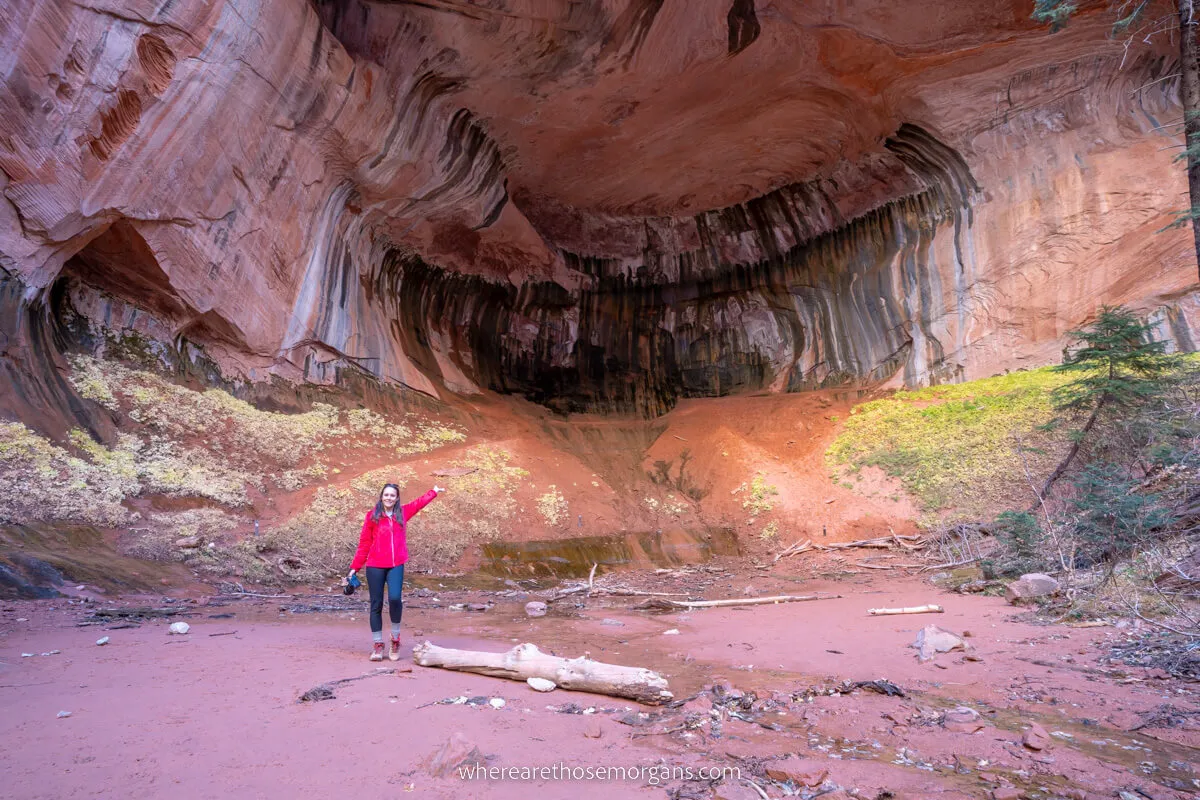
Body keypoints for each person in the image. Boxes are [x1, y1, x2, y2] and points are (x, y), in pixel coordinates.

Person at [346, 482, 444, 661]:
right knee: (376, 604)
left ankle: (395, 639)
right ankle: (377, 645)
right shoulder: (372, 516)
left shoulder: (402, 513)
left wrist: (434, 492)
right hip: (375, 565)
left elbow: (419, 503)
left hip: (396, 564)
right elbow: (364, 544)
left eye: (392, 495)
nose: (389, 498)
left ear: (397, 498)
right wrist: (354, 568)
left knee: (394, 598)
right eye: (386, 495)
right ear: (381, 496)